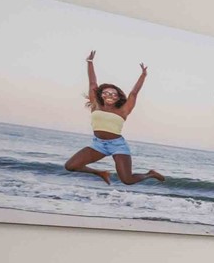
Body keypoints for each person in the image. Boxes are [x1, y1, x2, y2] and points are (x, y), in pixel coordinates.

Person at [63, 51, 165, 185]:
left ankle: (150, 174)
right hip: (98, 144)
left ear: (118, 97)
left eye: (113, 93)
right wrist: (89, 62)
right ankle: (100, 173)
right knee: (70, 166)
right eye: (106, 92)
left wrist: (143, 75)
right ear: (102, 95)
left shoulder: (123, 110)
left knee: (127, 180)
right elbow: (93, 83)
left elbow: (133, 93)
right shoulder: (96, 105)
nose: (110, 95)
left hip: (118, 146)